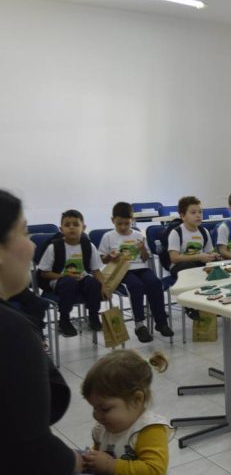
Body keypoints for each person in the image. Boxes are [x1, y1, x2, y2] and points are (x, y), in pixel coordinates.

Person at [0, 189, 83, 474]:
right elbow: (32, 450)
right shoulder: (11, 333)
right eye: (24, 233)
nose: (32, 247)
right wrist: (77, 461)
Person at [81, 350, 172, 475]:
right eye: (94, 408)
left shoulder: (149, 430)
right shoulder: (102, 429)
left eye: (105, 409)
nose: (96, 416)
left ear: (137, 400)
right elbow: (98, 459)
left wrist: (110, 465)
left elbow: (155, 470)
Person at [98, 202, 173, 342]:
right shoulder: (108, 236)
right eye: (119, 224)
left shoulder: (138, 235)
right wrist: (110, 257)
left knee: (155, 283)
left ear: (132, 220)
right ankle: (139, 325)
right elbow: (102, 260)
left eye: (127, 223)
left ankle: (161, 322)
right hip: (122, 270)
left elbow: (145, 258)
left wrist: (143, 249)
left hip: (141, 267)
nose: (123, 227)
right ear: (113, 220)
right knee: (136, 286)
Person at [38, 209, 109, 336]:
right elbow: (44, 273)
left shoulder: (89, 246)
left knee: (93, 283)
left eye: (76, 224)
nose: (71, 227)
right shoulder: (54, 247)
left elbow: (96, 270)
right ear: (61, 229)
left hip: (81, 279)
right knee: (69, 282)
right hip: (59, 281)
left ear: (83, 228)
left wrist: (103, 286)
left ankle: (93, 316)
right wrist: (64, 275)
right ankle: (64, 320)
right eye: (67, 225)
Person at [168, 196, 219, 279]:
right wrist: (198, 257)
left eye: (200, 212)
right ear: (183, 216)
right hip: (180, 266)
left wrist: (213, 255)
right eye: (193, 213)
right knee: (190, 266)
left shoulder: (204, 231)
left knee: (217, 263)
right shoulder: (176, 233)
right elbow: (174, 258)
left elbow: (208, 252)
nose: (198, 215)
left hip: (199, 263)